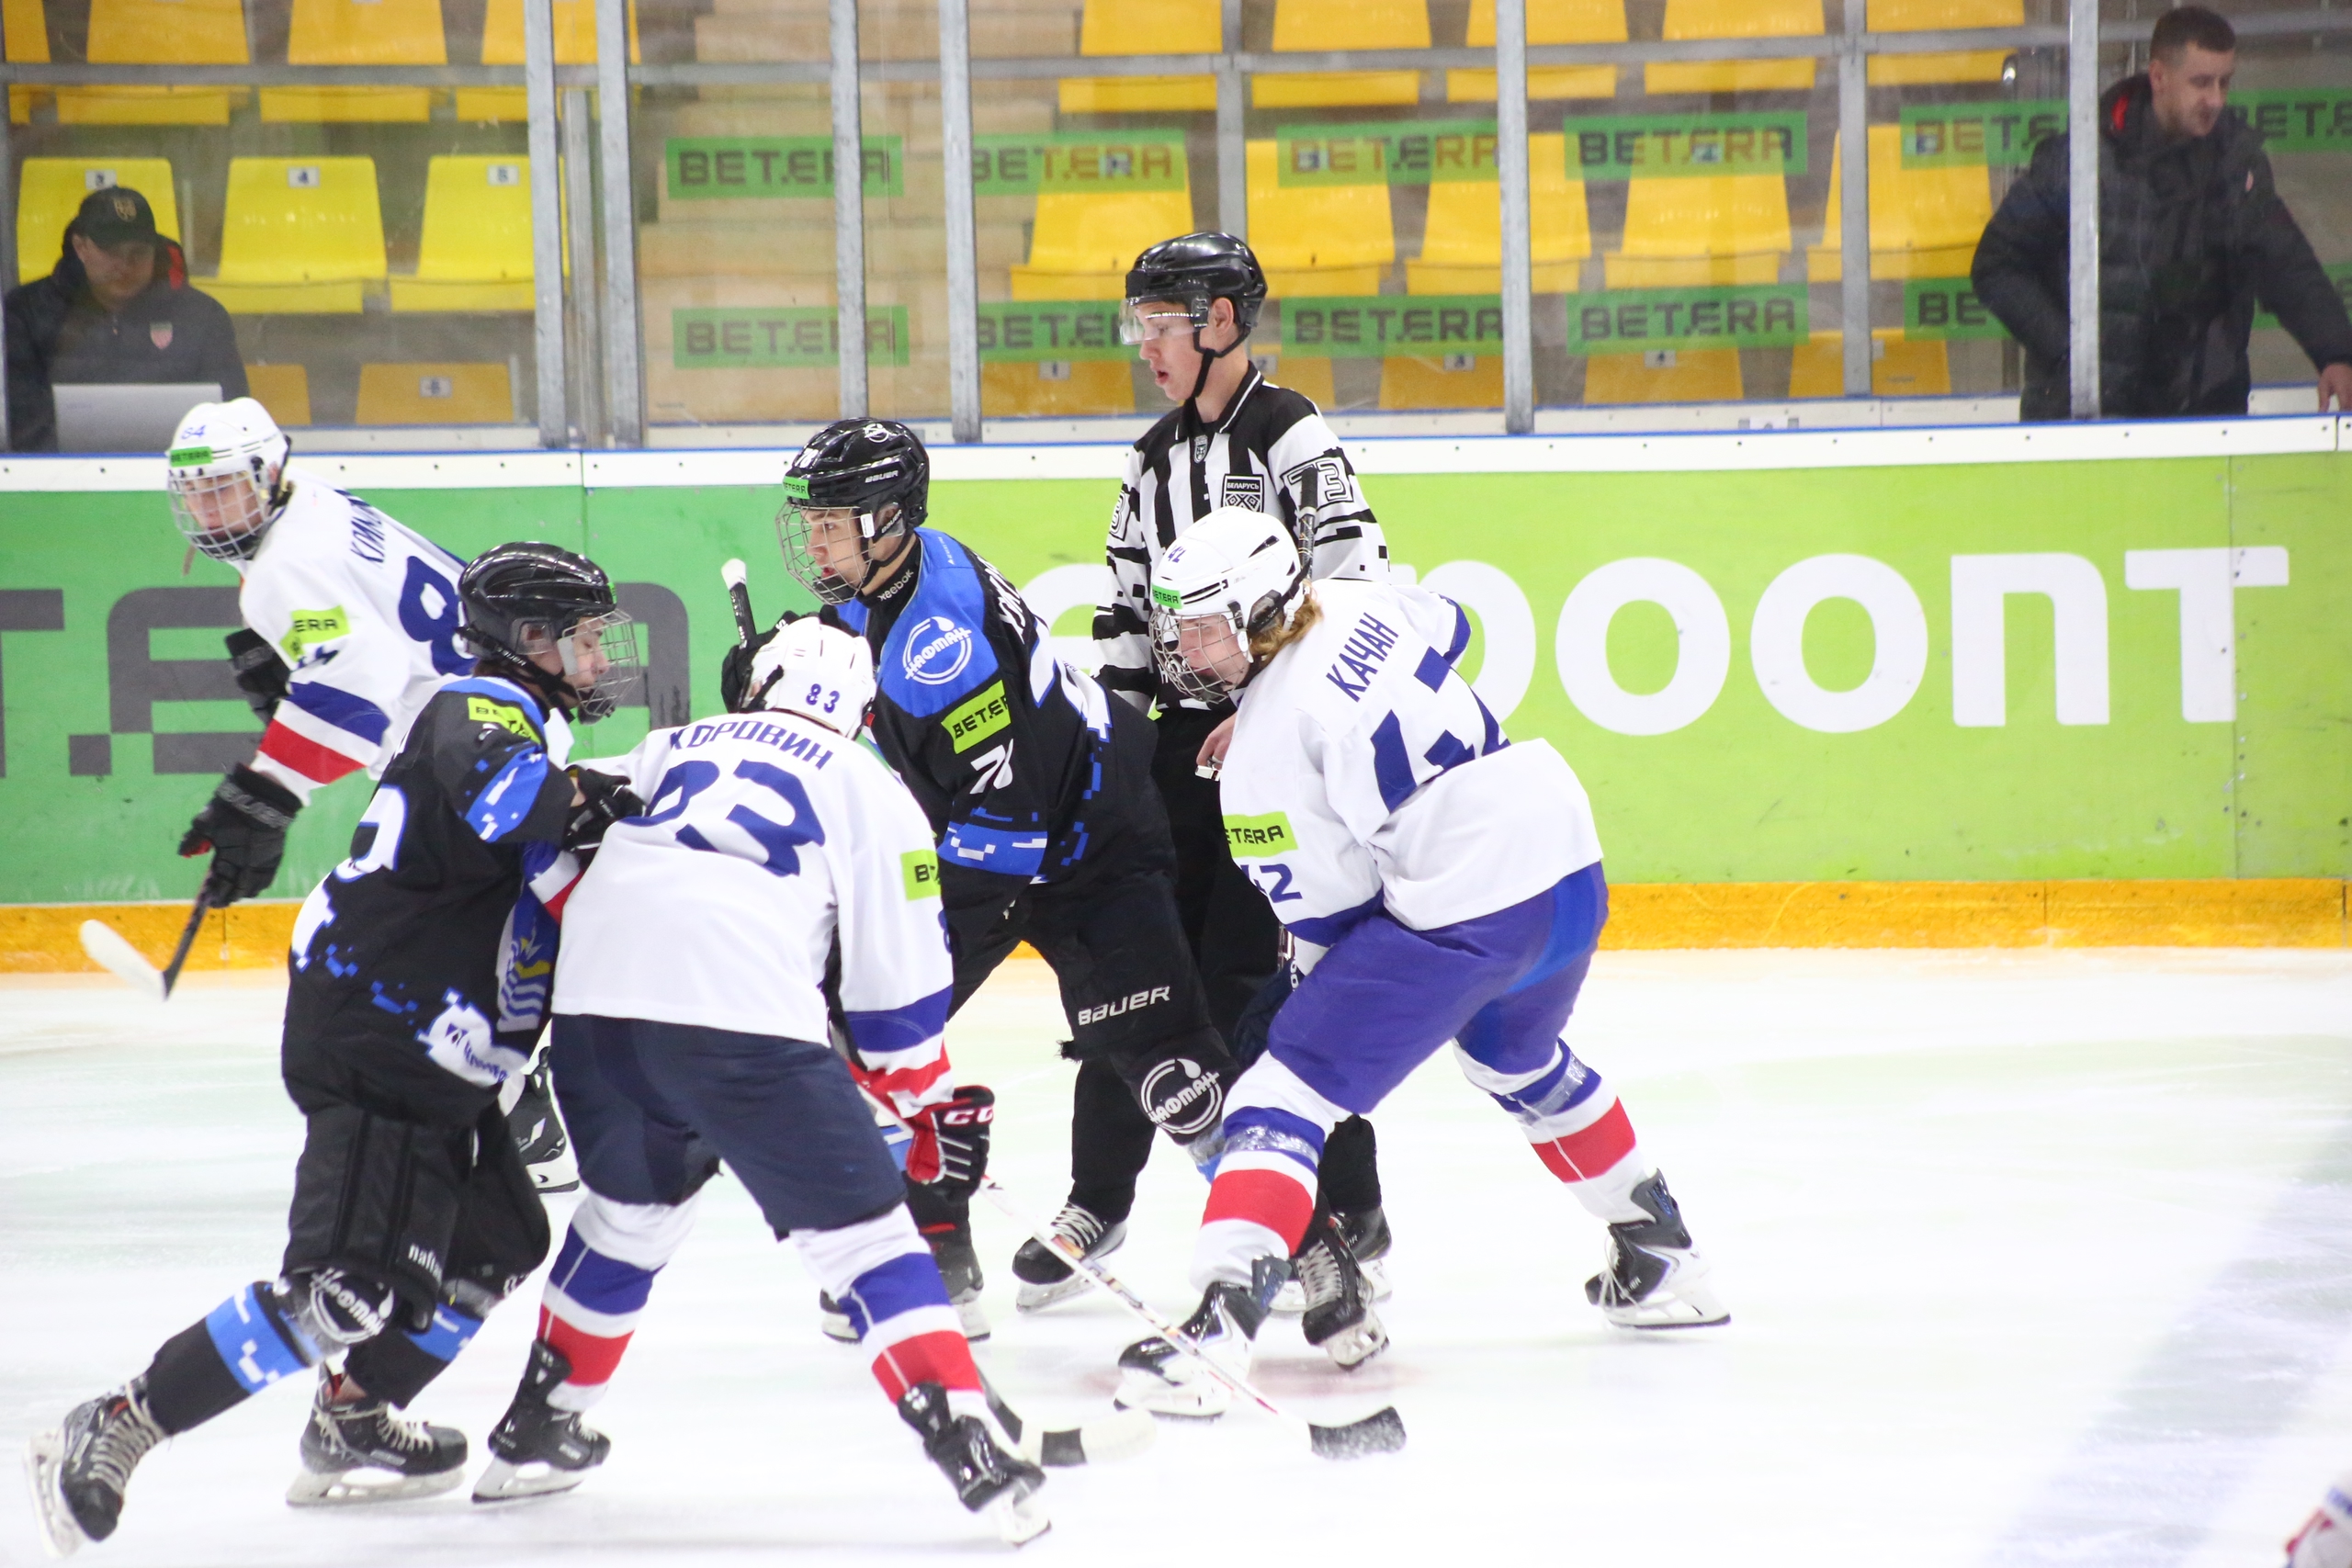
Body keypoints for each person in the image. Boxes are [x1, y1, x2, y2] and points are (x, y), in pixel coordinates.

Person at [721, 419, 1381, 1367]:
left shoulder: (943, 646)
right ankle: (932, 1257)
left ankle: (1315, 1251)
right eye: (812, 524)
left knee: (1175, 1076)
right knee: (866, 1026)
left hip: (1088, 849)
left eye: (831, 524)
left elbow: (1004, 834)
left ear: (888, 520)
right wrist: (794, 660)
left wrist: (889, 924)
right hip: (1015, 828)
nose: (815, 544)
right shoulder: (909, 567)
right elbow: (859, 640)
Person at [24, 543, 642, 1552]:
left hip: (434, 1045)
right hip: (382, 1034)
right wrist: (600, 799)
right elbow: (511, 799)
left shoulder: (520, 721)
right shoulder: (481, 704)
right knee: (345, 1289)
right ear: (527, 639)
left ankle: (354, 1415)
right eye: (581, 638)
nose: (599, 656)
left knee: (498, 1237)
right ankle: (119, 1421)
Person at [1113, 508, 1729, 1418]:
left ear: (1259, 611)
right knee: (1512, 1058)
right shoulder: (1348, 597)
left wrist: (1300, 1021)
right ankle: (1665, 1256)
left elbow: (1335, 921)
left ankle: (1214, 1335)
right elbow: (1454, 628)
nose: (1183, 647)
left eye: (1203, 625)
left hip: (1469, 903)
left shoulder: (1263, 766)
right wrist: (1280, 705)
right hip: (1563, 856)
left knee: (1277, 1095)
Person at [469, 620, 1047, 1544]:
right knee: (866, 1240)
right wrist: (920, 1099)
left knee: (630, 1215)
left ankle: (538, 1424)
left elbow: (544, 830)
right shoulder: (872, 788)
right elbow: (896, 994)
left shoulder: (669, 745)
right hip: (741, 1030)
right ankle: (968, 1443)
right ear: (860, 713)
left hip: (595, 1019)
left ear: (759, 683)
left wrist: (625, 926)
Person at [1039, 231, 1398, 1321]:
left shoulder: (1290, 433)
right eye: (1139, 324)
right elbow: (1122, 612)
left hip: (1272, 749)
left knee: (1253, 990)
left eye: (1162, 323)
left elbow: (1354, 581)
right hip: (1175, 747)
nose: (1146, 345)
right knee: (1127, 962)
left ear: (1223, 321)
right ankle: (1098, 1198)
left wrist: (1267, 710)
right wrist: (1107, 749)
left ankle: (1347, 1212)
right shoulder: (1148, 458)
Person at [163, 398, 578, 1191]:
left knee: (411, 937)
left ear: (269, 473)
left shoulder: (279, 569)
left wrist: (263, 795)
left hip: (461, 760)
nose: (211, 511)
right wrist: (304, 671)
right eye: (197, 493)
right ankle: (530, 1096)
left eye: (226, 488)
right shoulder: (320, 504)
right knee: (472, 927)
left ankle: (521, 1116)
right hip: (501, 724)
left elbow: (363, 687)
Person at [1972, 5, 2352, 420]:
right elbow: (1996, 264)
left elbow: (2285, 262)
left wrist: (2334, 352)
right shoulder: (2076, 161)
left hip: (2204, 417)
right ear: (2158, 77)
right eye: (2201, 83)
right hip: (2086, 420)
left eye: (2225, 82)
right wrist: (2070, 353)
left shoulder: (2236, 164)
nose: (2215, 99)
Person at [4, 186, 247, 451]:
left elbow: (232, 413)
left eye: (138, 252)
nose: (125, 265)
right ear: (81, 247)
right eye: (111, 251)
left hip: (179, 467)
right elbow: (19, 420)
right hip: (55, 471)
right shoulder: (26, 312)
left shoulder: (203, 316)